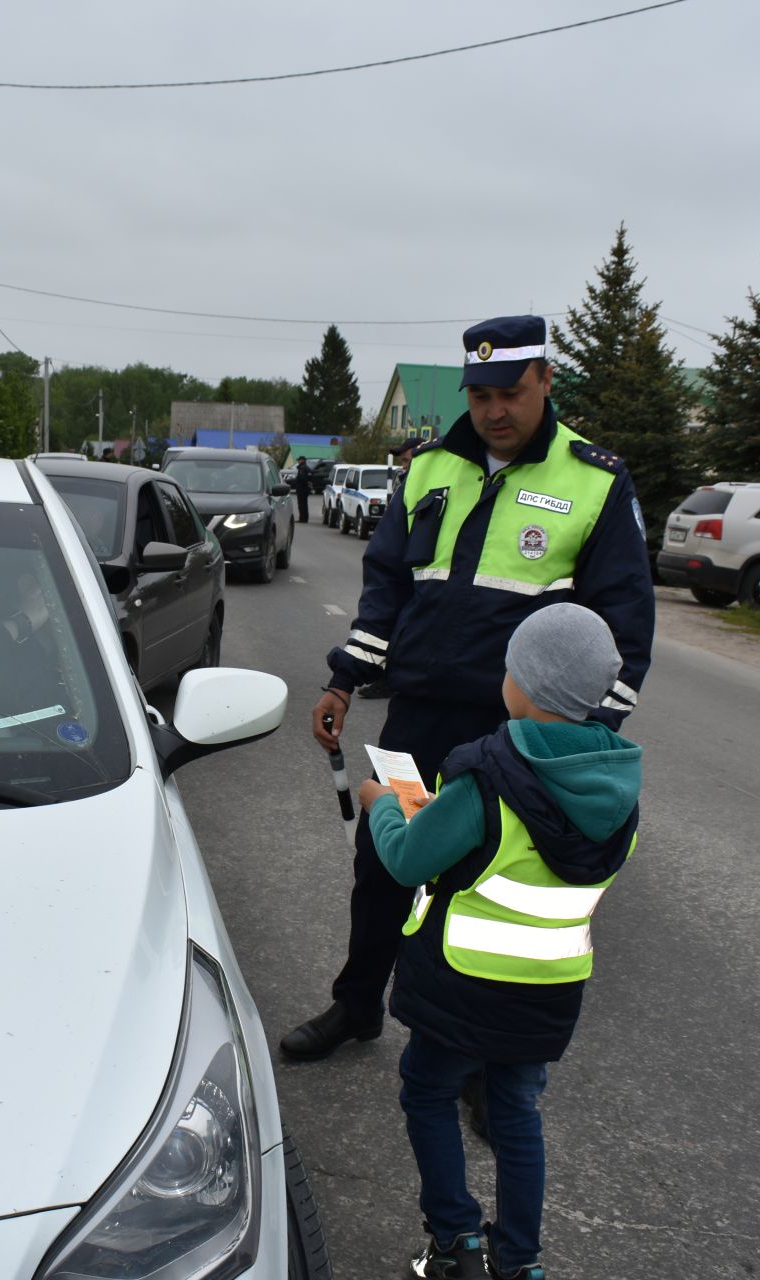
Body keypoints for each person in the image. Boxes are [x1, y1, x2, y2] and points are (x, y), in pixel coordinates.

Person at [281, 314, 654, 1063]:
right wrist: (344, 680)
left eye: (510, 392)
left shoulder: (594, 479)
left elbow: (625, 633)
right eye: (479, 394)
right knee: (386, 865)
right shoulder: (427, 467)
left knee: (489, 888)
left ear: (546, 380)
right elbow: (387, 587)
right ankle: (357, 1006)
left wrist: (585, 744)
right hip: (419, 716)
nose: (494, 411)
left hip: (518, 732)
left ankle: (483, 1053)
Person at [357, 603, 640, 1280]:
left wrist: (385, 805)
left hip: (463, 982)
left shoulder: (486, 772)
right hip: (547, 988)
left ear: (524, 682)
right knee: (515, 1112)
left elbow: (406, 861)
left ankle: (455, 1240)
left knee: (427, 1093)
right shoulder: (617, 786)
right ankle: (520, 1261)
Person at [294, 457, 314, 524]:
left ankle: (302, 518)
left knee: (301, 504)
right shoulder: (306, 467)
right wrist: (309, 484)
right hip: (305, 489)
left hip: (301, 489)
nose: (298, 461)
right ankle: (305, 518)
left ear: (302, 460)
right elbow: (310, 477)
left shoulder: (302, 468)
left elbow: (302, 478)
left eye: (299, 460)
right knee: (304, 504)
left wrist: (305, 483)